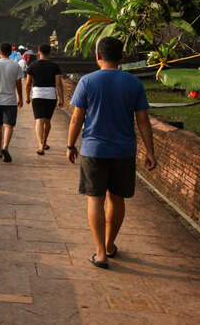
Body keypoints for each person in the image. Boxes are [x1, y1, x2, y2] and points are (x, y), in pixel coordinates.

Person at [66, 37, 156, 269]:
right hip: (123, 150)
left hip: (93, 149)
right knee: (116, 198)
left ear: (98, 56)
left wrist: (70, 145)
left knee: (94, 198)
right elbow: (143, 121)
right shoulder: (133, 83)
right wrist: (150, 152)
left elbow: (77, 117)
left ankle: (100, 253)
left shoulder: (87, 81)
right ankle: (109, 244)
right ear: (121, 57)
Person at [25, 44, 64, 155]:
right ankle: (45, 141)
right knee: (47, 121)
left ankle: (40, 145)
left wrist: (27, 97)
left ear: (39, 52)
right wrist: (61, 99)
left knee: (39, 120)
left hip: (37, 95)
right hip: (51, 95)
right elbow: (58, 84)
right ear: (50, 52)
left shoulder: (33, 65)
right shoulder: (54, 66)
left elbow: (28, 84)